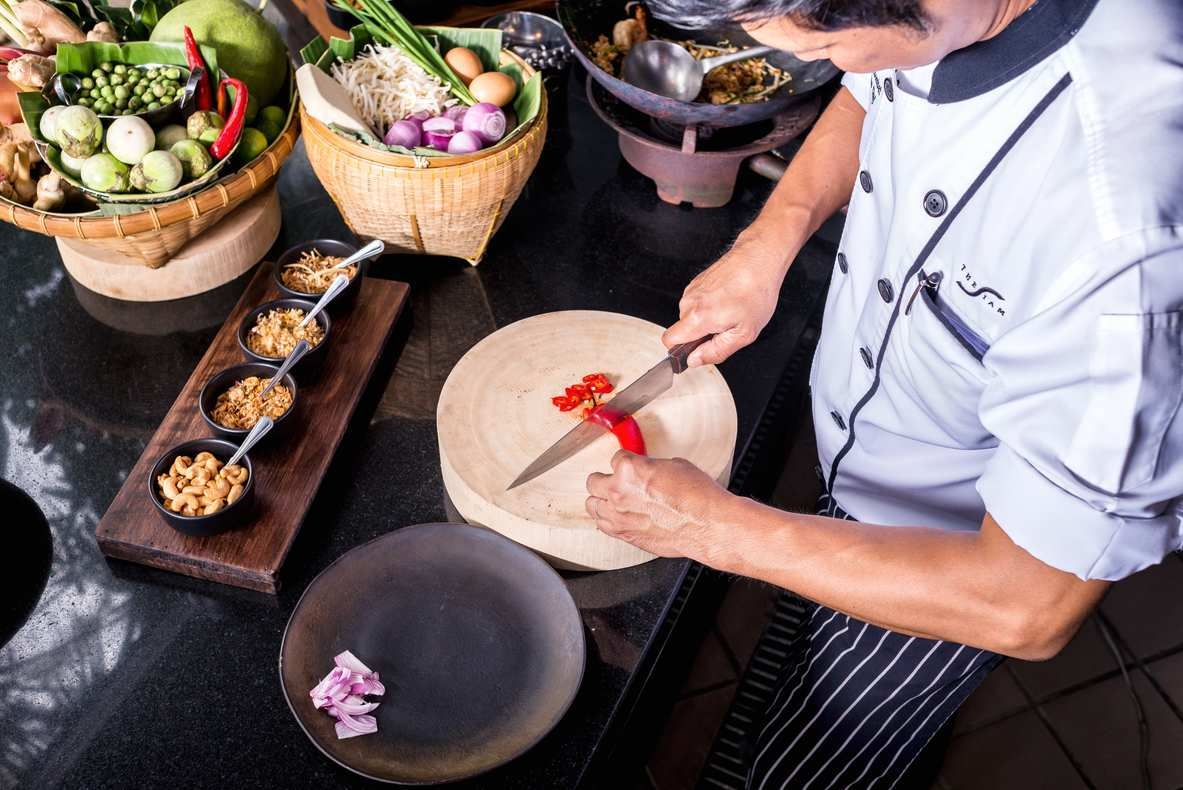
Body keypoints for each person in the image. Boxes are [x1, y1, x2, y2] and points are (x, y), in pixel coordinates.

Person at [582, 0, 1183, 786]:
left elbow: (1026, 606)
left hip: (951, 562)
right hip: (855, 454)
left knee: (827, 753)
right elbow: (873, 87)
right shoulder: (929, 22)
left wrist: (718, 531)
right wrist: (770, 237)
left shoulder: (1121, 238)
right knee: (790, 658)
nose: (840, 72)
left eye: (827, 45)